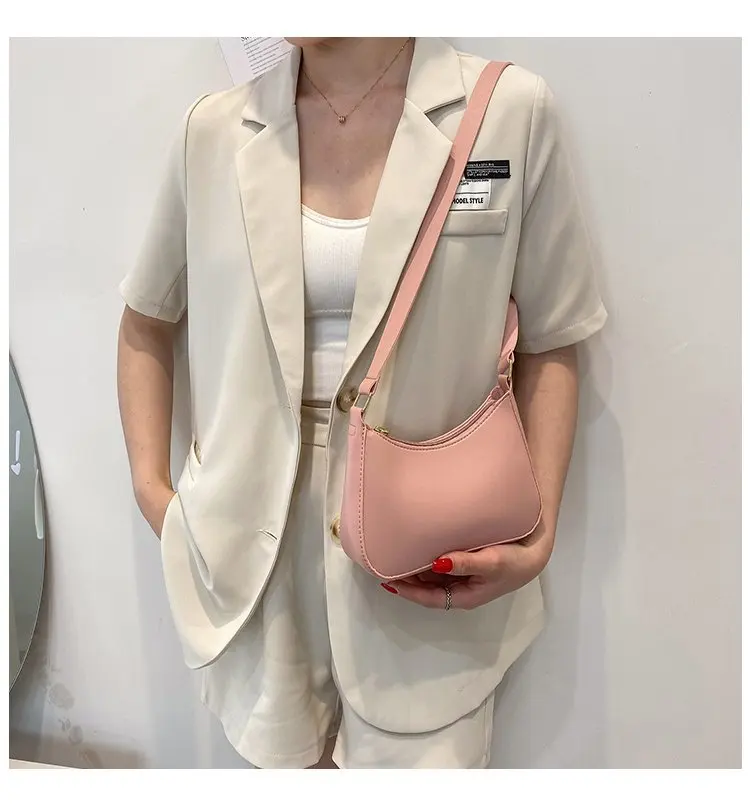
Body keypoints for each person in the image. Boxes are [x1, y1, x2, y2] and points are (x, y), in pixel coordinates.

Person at [117, 37, 606, 769]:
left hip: (425, 552)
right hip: (252, 549)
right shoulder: (214, 130)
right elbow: (146, 320)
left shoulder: (507, 113)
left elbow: (555, 337)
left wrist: (539, 534)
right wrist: (156, 496)